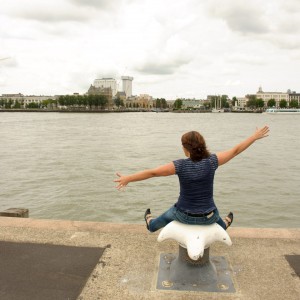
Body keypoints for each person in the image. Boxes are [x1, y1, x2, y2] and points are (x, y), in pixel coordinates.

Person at [114, 126, 269, 232]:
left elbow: (153, 173)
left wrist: (128, 178)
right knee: (217, 220)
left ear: (185, 149)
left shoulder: (179, 165)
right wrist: (254, 137)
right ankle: (224, 224)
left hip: (182, 215)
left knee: (157, 223)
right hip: (209, 216)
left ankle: (149, 222)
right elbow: (235, 151)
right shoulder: (212, 161)